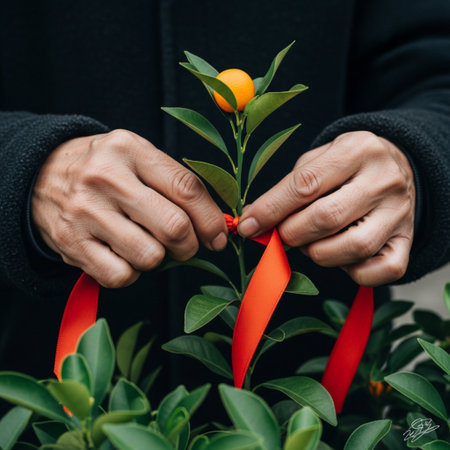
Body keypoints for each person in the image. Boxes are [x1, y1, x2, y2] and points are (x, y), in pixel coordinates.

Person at [1, 0, 449, 396]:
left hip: (318, 400)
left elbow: (437, 70)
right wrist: (20, 167)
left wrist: (418, 160)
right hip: (40, 390)